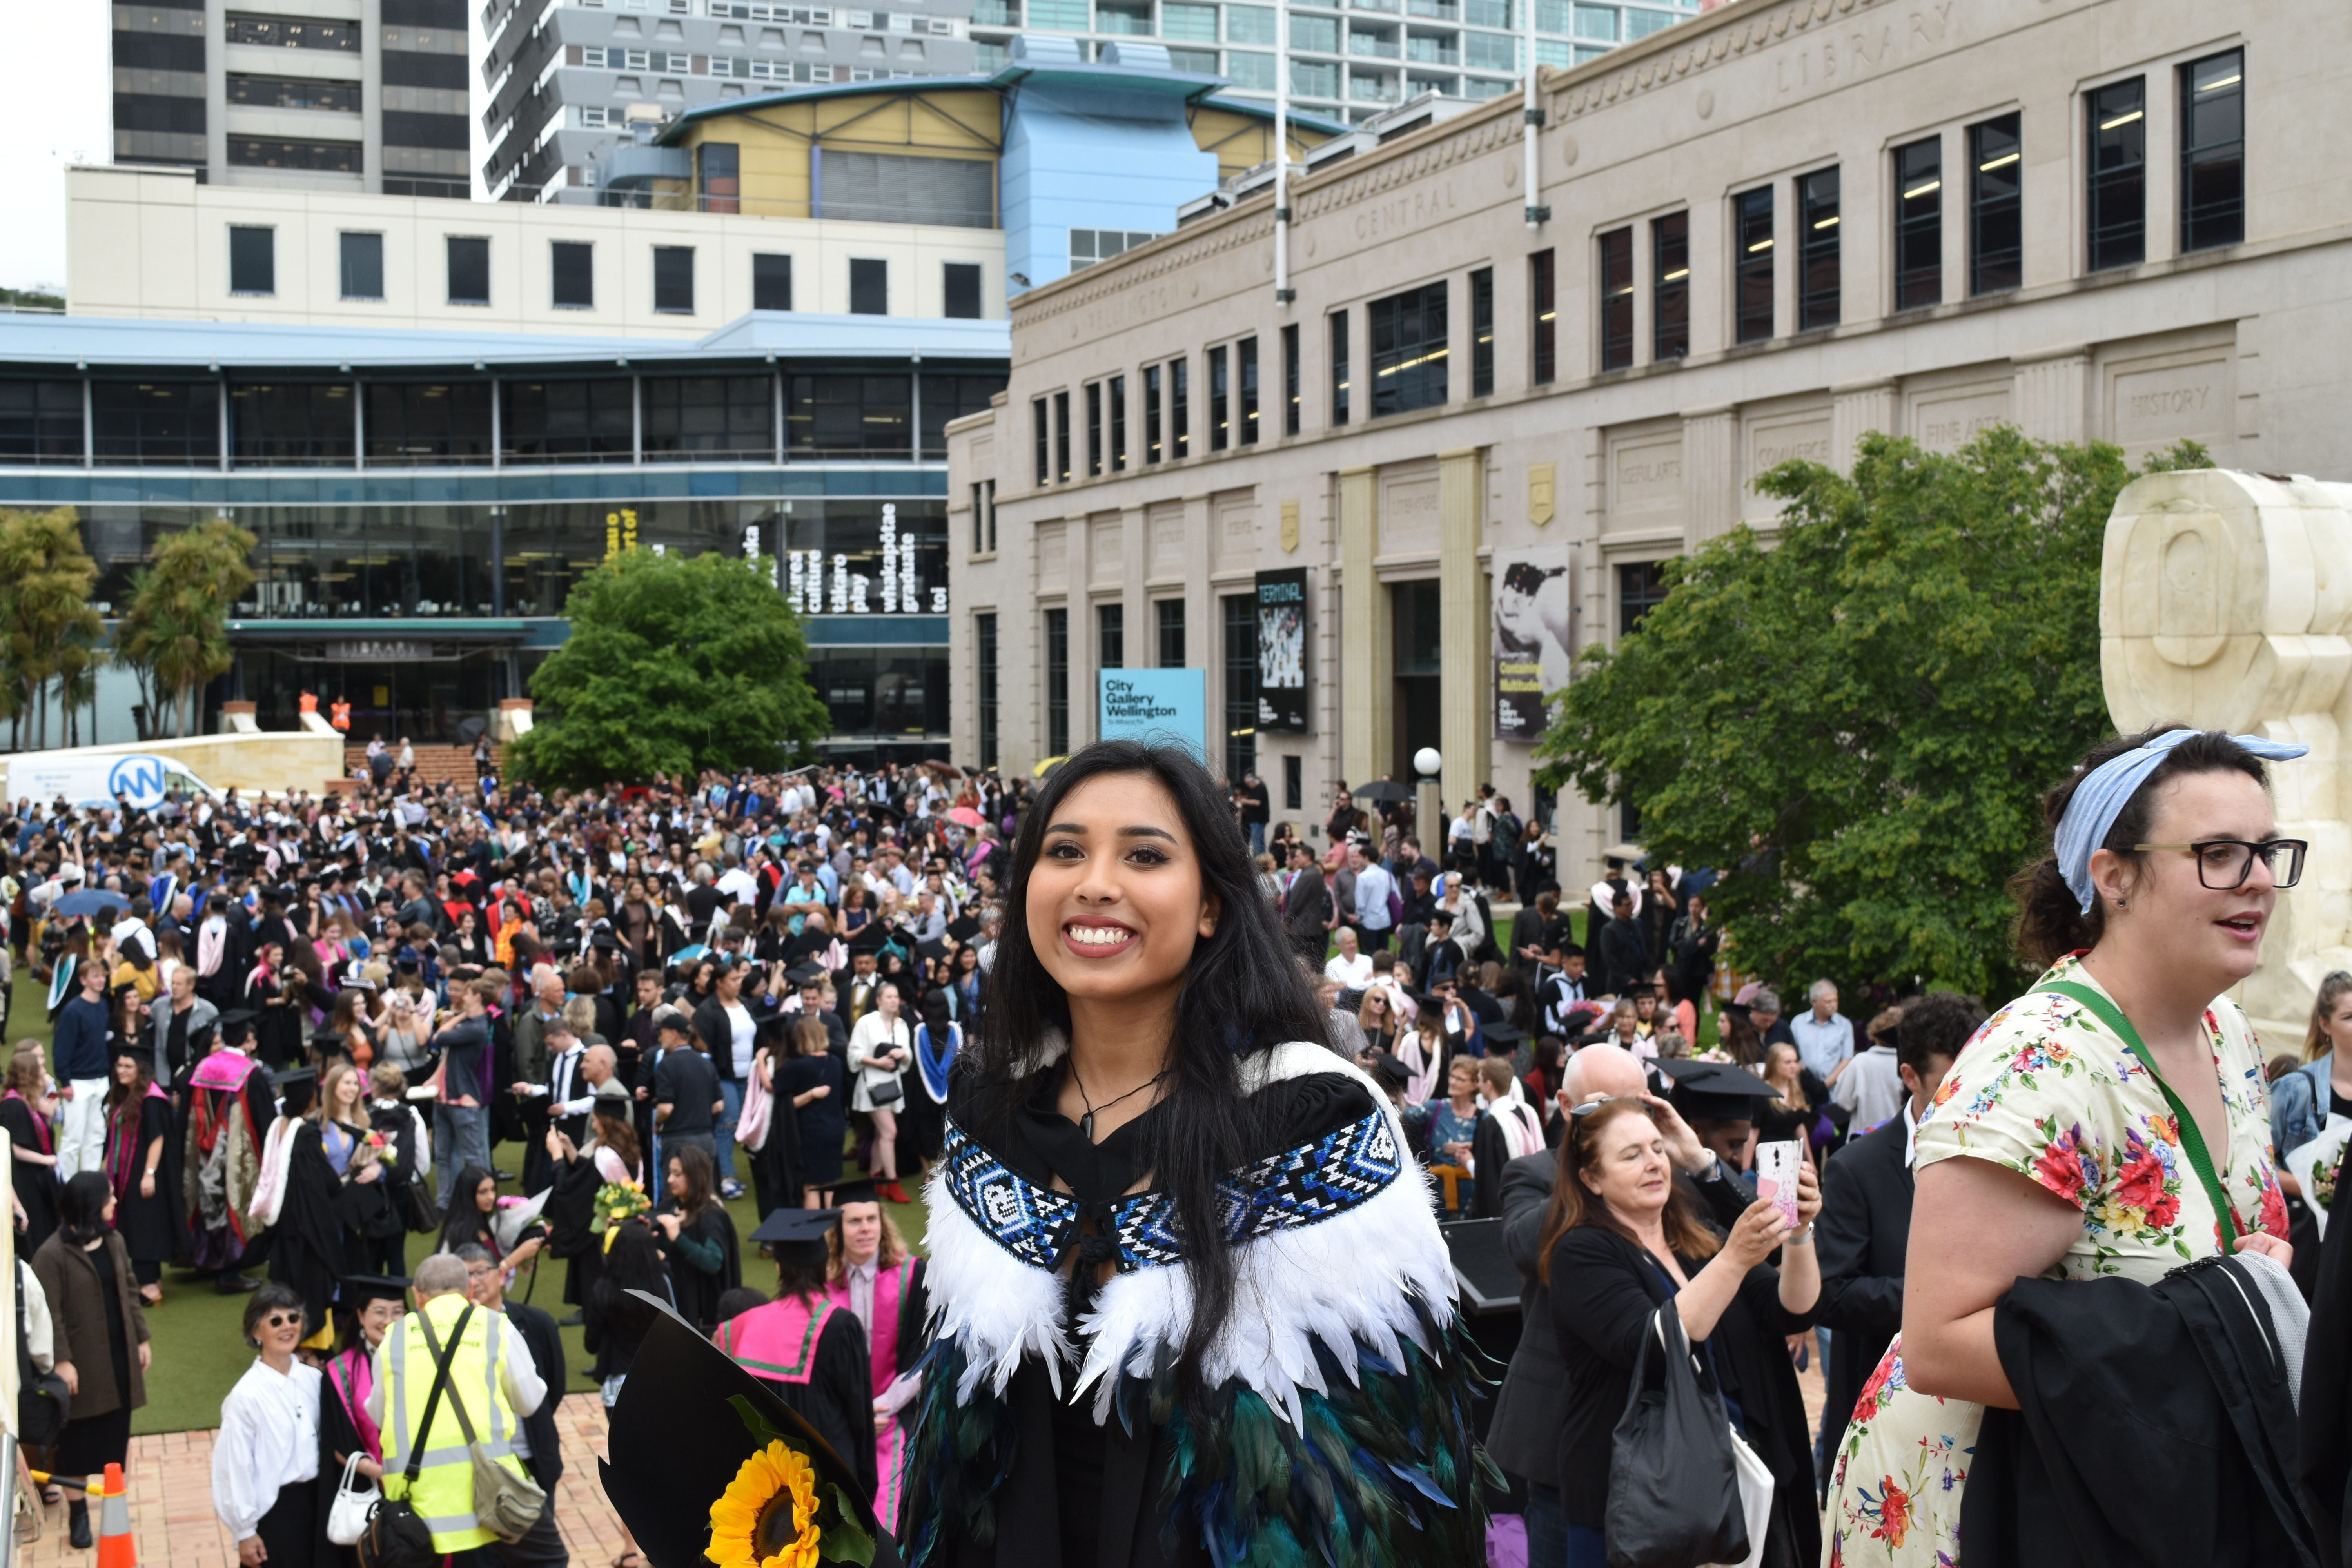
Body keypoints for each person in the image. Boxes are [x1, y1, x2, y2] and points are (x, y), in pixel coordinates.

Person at [901, 739, 1490, 1567]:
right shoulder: (987, 1108)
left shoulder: (1309, 1120)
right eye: (1064, 850)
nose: (1095, 881)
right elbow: (955, 1466)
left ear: (1212, 904)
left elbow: (1383, 1500)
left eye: (1144, 854)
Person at [1826, 726, 2301, 1564]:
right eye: (2219, 852)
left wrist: (2251, 1272)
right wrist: (2223, 1324)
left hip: (2144, 1493)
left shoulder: (2228, 1033)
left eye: (2266, 850)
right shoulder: (2037, 1063)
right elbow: (1939, 1343)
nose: (2259, 879)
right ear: (2113, 876)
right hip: (2003, 1515)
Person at [1543, 1099, 1823, 1568]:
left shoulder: (1694, 1234)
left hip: (1727, 1478)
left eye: (1657, 1148)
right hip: (1638, 1499)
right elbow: (1650, 1344)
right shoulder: (1581, 1252)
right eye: (1631, 1155)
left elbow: (1792, 1310)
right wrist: (1734, 1258)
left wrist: (1799, 1234)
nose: (1653, 1162)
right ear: (1591, 1178)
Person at [1813, 991, 1983, 1492]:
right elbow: (1832, 1294)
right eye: (1950, 1083)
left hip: (1974, 1424)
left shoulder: (1998, 1159)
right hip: (1883, 1423)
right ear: (1910, 1076)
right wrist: (1939, 1299)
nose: (1968, 1096)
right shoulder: (1856, 1169)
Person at [367, 1252, 561, 1566]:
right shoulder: (496, 1328)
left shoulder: (394, 1339)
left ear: (418, 1295)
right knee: (550, 1559)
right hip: (494, 1496)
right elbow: (530, 1402)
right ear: (470, 1290)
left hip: (416, 1507)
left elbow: (378, 1415)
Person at [722, 1208, 878, 1499]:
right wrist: (865, 1486)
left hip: (766, 1492)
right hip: (829, 1486)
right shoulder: (840, 1326)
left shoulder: (739, 1328)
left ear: (779, 1267)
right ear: (826, 1266)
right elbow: (860, 1417)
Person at [34, 1173, 153, 1550]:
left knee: (115, 1437)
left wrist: (142, 1338)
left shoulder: (115, 1241)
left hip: (119, 1359)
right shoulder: (51, 1255)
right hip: (81, 1367)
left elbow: (130, 1291)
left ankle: (114, 1506)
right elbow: (47, 1315)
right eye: (109, 1196)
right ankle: (79, 1514)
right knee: (76, 1445)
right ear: (90, 1204)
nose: (115, 1201)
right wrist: (62, 1361)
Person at [822, 1177, 930, 1524]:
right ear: (837, 1229)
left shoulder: (913, 1275)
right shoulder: (821, 1283)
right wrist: (855, 1415)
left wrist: (882, 1407)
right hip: (838, 1417)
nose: (865, 1229)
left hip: (896, 1412)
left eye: (872, 1219)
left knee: (889, 1505)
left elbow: (923, 1352)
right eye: (854, 1221)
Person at [214, 1284, 322, 1568]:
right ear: (256, 1332)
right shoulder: (245, 1397)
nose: (287, 1327)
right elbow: (234, 1468)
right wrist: (245, 1532)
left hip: (318, 1504)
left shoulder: (315, 1380)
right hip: (275, 1514)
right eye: (276, 1321)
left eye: (293, 1318)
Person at [455, 1243, 567, 1503]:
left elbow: (554, 1384)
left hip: (532, 1453)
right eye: (466, 1275)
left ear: (501, 1274)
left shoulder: (537, 1323)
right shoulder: (451, 1333)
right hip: (479, 1461)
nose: (475, 1281)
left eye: (481, 1271)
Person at [184, 1009, 275, 1292]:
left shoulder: (202, 1068)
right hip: (237, 1149)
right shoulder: (251, 1074)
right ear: (247, 1039)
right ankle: (229, 1272)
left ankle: (208, 1259)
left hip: (203, 1149)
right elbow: (265, 1119)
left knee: (210, 1200)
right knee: (235, 1201)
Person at [319, 1274, 410, 1520]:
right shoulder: (341, 1373)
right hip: (369, 1489)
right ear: (360, 1316)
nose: (389, 1321)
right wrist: (384, 1473)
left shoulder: (425, 1361)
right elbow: (337, 1445)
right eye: (379, 1312)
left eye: (397, 1312)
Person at [101, 1044, 180, 1305]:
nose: (121, 1071)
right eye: (120, 1066)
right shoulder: (127, 1095)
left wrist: (149, 1174)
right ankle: (151, 1280)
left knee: (144, 1226)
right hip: (125, 1171)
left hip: (142, 1171)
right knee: (135, 1223)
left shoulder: (152, 1099)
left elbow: (157, 1138)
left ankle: (149, 1288)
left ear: (141, 1070)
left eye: (128, 1067)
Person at [653, 1143, 740, 1332]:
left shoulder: (711, 1215)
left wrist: (679, 1238)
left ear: (694, 1176)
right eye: (670, 1173)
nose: (669, 1180)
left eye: (677, 1174)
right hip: (675, 1302)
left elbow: (713, 1262)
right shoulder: (668, 1206)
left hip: (703, 1312)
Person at [846, 980, 914, 1204]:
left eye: (896, 997)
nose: (895, 1001)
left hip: (892, 1087)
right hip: (871, 1086)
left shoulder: (902, 1025)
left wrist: (901, 1055)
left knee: (881, 1135)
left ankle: (874, 1181)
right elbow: (854, 1054)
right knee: (889, 1133)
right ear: (879, 1001)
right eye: (890, 997)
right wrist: (878, 1062)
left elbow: (908, 1056)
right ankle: (892, 1182)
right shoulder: (866, 1023)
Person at [428, 979, 494, 1208]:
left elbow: (438, 1038)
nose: (461, 998)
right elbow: (448, 1054)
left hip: (463, 1101)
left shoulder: (476, 1027)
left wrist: (458, 1017)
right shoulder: (474, 1025)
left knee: (473, 1158)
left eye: (466, 993)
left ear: (477, 997)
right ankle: (445, 1204)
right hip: (448, 1098)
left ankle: (483, 1200)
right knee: (444, 1156)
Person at [53, 958, 114, 1181]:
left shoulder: (104, 1005)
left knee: (97, 1135)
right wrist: (66, 1082)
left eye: (102, 976)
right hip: (78, 1083)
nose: (100, 980)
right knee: (73, 1138)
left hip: (101, 1080)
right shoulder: (73, 1011)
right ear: (83, 980)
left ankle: (90, 1181)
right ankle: (67, 1183)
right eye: (95, 976)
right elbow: (61, 1049)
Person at [778, 1014, 848, 1207]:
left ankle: (815, 1237)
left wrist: (760, 1060)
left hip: (811, 1133)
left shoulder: (798, 1067)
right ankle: (834, 1234)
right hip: (835, 1129)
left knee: (811, 1186)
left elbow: (779, 1096)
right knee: (828, 1184)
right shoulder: (835, 1063)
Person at [4, 1040, 63, 1255]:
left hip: (37, 1180)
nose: (44, 1072)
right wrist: (47, 1160)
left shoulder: (26, 1101)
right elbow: (14, 1148)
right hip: (27, 1183)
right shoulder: (14, 1106)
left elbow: (43, 1128)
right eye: (40, 1069)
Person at [1831, 1005, 1908, 1138]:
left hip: (1865, 1139)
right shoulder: (1913, 1064)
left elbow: (1843, 1101)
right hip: (1902, 1138)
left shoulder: (1860, 1063)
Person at [1789, 978, 1856, 1087]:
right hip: (1803, 1086)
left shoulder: (1844, 1025)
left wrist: (1825, 1085)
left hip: (1834, 1088)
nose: (1834, 1005)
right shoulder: (1798, 1023)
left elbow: (1847, 1059)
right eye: (1828, 1002)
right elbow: (1792, 1055)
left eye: (1836, 1000)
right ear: (1815, 1002)